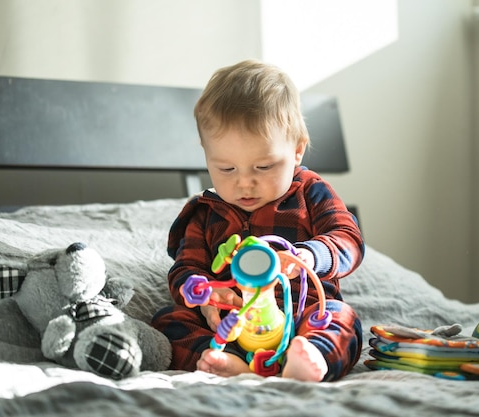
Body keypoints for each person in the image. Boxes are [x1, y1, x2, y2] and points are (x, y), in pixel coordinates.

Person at [151, 59, 364, 382]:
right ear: (207, 156)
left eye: (263, 167)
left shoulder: (310, 193)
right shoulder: (205, 212)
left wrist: (309, 255)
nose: (244, 183)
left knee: (342, 319)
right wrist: (207, 295)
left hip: (301, 319)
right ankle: (226, 362)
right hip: (231, 326)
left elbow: (348, 239)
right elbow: (184, 269)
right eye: (226, 169)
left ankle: (310, 358)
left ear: (297, 151)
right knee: (167, 321)